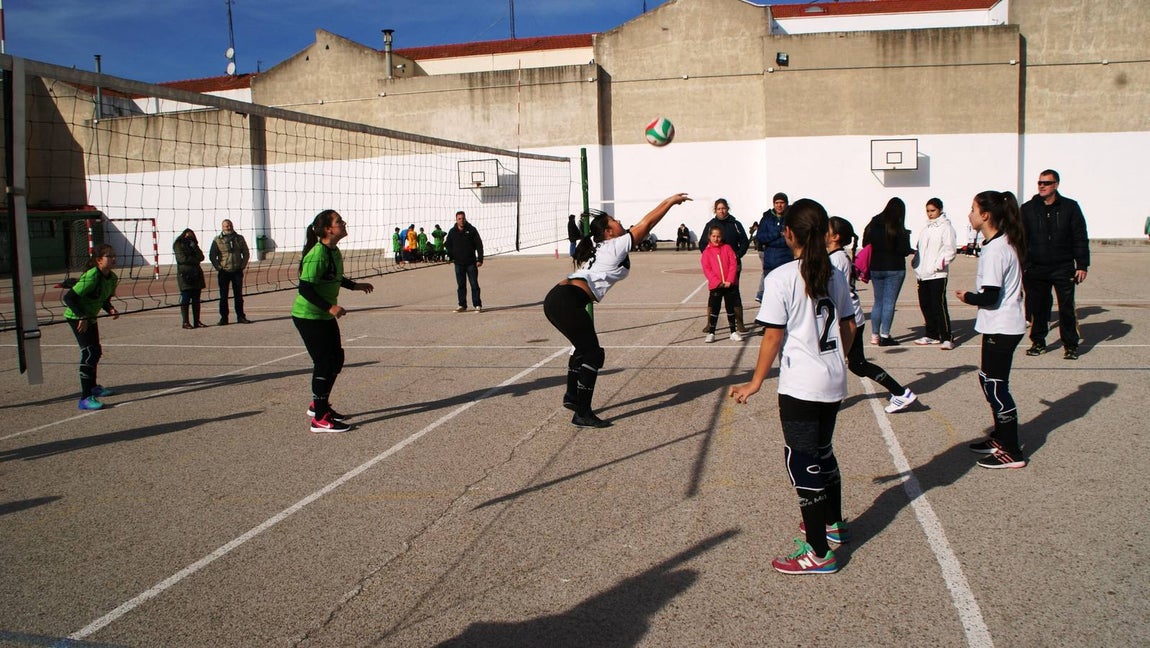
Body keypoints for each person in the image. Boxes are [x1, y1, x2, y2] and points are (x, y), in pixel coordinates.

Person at [729, 198, 856, 575]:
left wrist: (754, 382)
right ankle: (832, 524)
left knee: (802, 461)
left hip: (802, 383)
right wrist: (840, 360)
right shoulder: (834, 273)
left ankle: (818, 553)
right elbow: (849, 325)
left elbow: (772, 335)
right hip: (832, 379)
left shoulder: (782, 277)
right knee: (823, 452)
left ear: (788, 233)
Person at [544, 193, 691, 428]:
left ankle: (572, 397)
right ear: (609, 232)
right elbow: (648, 223)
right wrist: (670, 202)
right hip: (567, 301)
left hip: (558, 298)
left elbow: (626, 230)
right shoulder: (614, 245)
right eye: (614, 220)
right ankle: (582, 413)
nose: (619, 220)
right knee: (593, 354)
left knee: (582, 349)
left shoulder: (601, 244)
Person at [955, 191, 1028, 469]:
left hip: (1003, 326)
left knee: (996, 387)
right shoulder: (998, 243)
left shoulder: (996, 250)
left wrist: (968, 297)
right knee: (987, 380)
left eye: (973, 209)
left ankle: (1012, 450)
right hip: (998, 324)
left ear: (985, 215)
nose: (970, 214)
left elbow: (991, 295)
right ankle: (1000, 436)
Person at [292, 209, 374, 433]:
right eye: (339, 222)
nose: (343, 223)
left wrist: (355, 286)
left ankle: (319, 404)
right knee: (324, 363)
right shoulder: (317, 254)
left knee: (336, 358)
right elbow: (305, 288)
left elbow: (333, 276)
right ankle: (319, 419)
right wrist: (331, 307)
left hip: (322, 315)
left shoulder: (333, 251)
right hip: (308, 316)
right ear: (328, 229)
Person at [827, 216, 918, 413]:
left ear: (835, 236)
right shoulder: (837, 257)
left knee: (837, 360)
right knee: (857, 365)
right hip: (850, 316)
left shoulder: (836, 260)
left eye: (826, 230)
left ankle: (830, 400)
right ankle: (901, 393)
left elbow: (835, 293)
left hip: (847, 319)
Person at [1020, 169, 1089, 360]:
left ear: (1056, 185)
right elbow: (1020, 239)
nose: (1042, 185)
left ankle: (1071, 345)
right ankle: (1038, 342)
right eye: (1040, 182)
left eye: (1046, 183)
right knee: (1038, 307)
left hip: (1062, 266)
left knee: (1066, 308)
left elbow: (1080, 237)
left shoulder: (1070, 207)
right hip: (1036, 267)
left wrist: (1082, 264)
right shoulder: (1028, 209)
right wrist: (1024, 265)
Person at [63, 244, 120, 410]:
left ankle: (94, 387)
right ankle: (85, 398)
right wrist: (82, 316)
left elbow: (103, 298)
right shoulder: (92, 275)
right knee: (89, 353)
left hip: (90, 317)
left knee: (96, 351)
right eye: (109, 256)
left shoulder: (112, 278)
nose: (113, 259)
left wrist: (110, 308)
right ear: (99, 260)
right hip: (77, 317)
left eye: (114, 255)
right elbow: (69, 298)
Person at [862, 197, 913, 346]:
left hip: (876, 266)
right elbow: (903, 250)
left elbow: (866, 243)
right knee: (889, 302)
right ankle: (885, 335)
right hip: (894, 267)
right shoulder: (897, 226)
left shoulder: (874, 222)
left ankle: (874, 335)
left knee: (878, 301)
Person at [698, 198, 750, 333]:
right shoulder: (710, 225)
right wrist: (709, 257)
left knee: (734, 293)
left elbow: (744, 241)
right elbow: (702, 244)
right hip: (716, 266)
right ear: (715, 210)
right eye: (719, 208)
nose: (721, 211)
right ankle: (710, 324)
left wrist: (737, 255)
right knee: (714, 294)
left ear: (728, 209)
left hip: (732, 265)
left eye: (724, 208)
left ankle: (739, 323)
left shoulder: (735, 224)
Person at [912, 198, 957, 348]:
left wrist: (938, 266)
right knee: (925, 304)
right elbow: (920, 248)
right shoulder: (926, 228)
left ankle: (946, 336)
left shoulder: (946, 227)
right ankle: (931, 334)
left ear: (940, 210)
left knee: (939, 305)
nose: (930, 214)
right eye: (928, 211)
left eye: (933, 211)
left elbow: (950, 250)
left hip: (937, 274)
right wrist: (916, 263)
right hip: (922, 274)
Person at [699, 224, 744, 343]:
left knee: (730, 308)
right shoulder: (707, 252)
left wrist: (730, 279)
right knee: (715, 309)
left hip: (729, 285)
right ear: (709, 237)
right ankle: (711, 332)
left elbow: (733, 264)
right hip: (716, 286)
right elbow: (707, 269)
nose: (716, 239)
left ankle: (733, 332)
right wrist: (717, 282)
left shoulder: (727, 248)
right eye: (713, 236)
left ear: (722, 237)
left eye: (718, 236)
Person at [209, 219, 251, 325]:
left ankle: (241, 316)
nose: (228, 227)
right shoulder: (217, 240)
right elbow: (212, 255)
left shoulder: (239, 238)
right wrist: (219, 267)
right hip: (224, 271)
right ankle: (224, 318)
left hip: (237, 270)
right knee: (223, 296)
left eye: (230, 225)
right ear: (222, 227)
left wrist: (242, 265)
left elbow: (246, 252)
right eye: (226, 226)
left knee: (238, 296)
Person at [445, 211, 484, 312]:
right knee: (461, 285)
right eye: (459, 219)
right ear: (456, 220)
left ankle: (477, 305)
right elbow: (448, 245)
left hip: (471, 263)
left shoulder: (471, 230)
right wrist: (450, 256)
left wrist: (480, 259)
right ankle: (462, 305)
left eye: (463, 218)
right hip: (458, 263)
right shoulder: (452, 231)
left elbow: (479, 244)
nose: (461, 220)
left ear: (465, 218)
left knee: (474, 284)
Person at [755, 192, 791, 303]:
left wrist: (775, 240)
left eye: (782, 203)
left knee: (786, 292)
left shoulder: (791, 218)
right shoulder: (767, 218)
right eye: (776, 203)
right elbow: (761, 237)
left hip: (787, 259)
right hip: (771, 260)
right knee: (770, 292)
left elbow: (792, 238)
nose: (779, 205)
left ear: (786, 204)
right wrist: (778, 234)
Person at [174, 228, 207, 330]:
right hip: (185, 275)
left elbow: (201, 257)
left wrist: (194, 247)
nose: (189, 237)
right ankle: (185, 322)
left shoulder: (194, 245)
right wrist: (195, 260)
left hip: (196, 274)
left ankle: (197, 321)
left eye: (191, 235)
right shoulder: (178, 244)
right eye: (187, 235)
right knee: (186, 299)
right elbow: (182, 259)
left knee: (196, 300)